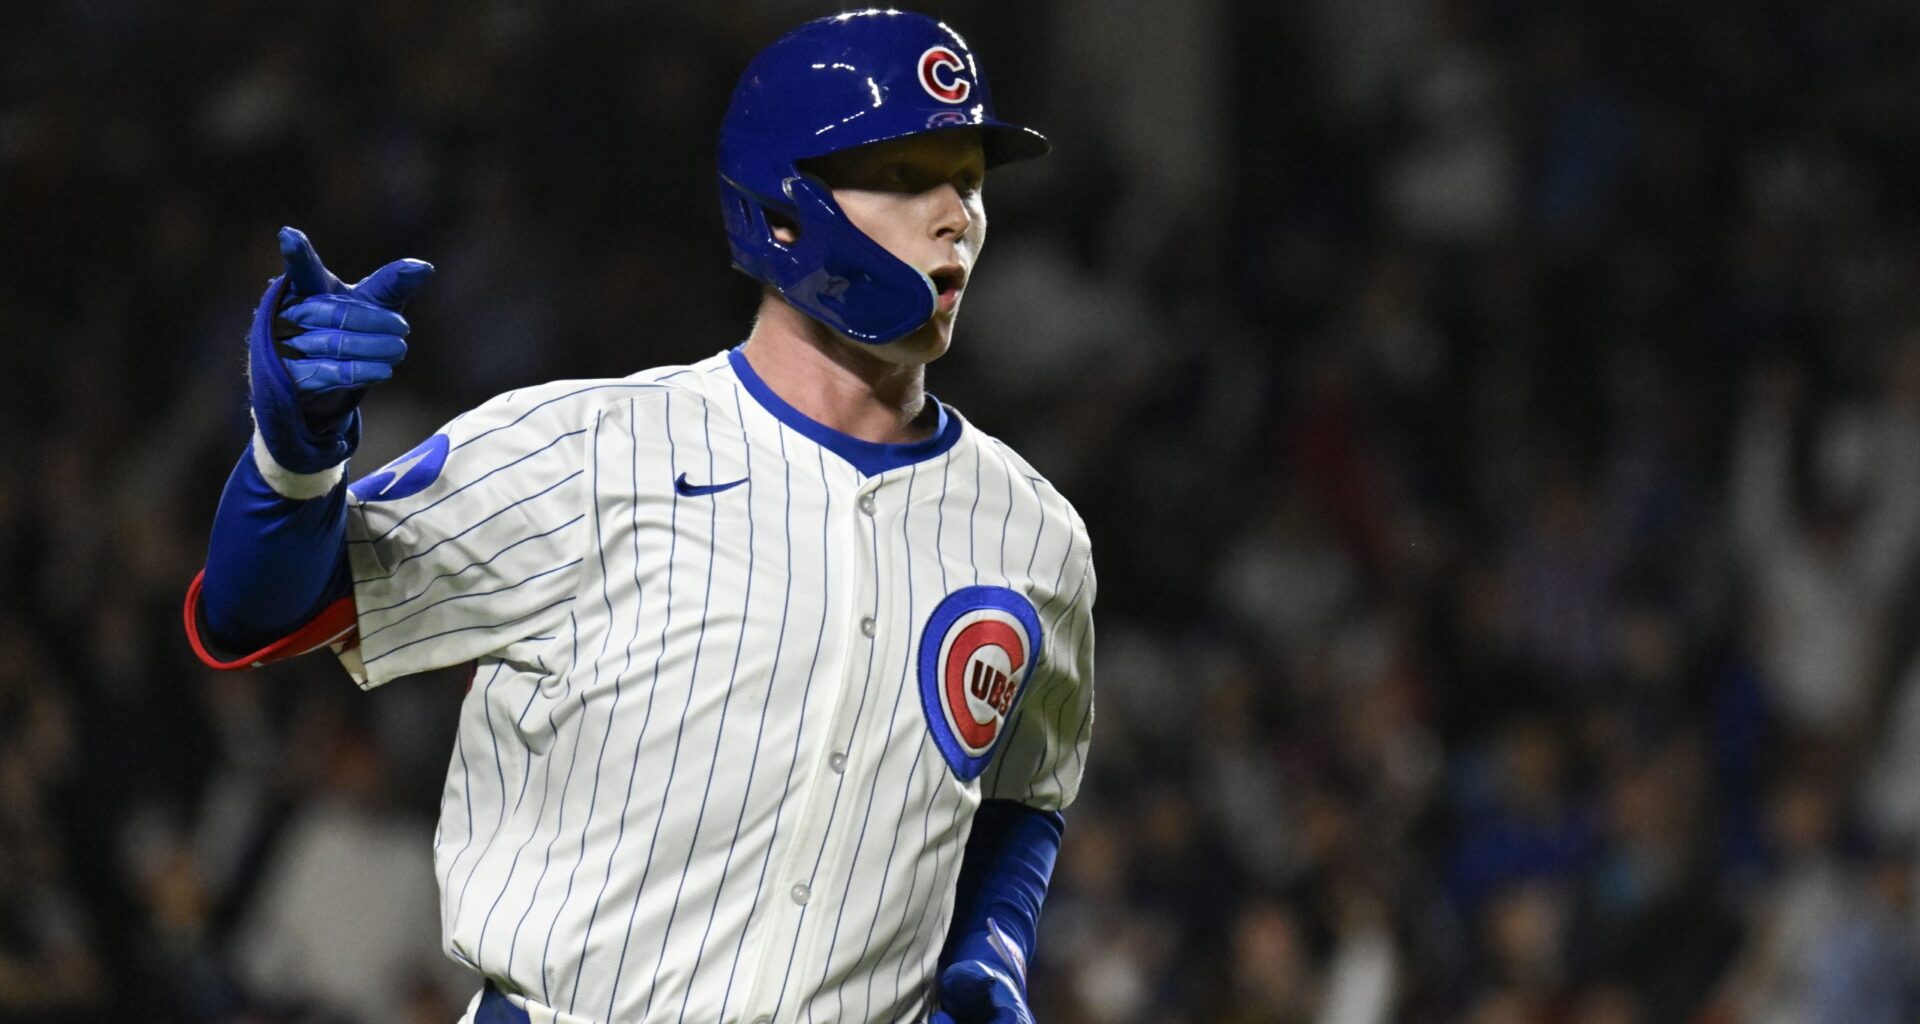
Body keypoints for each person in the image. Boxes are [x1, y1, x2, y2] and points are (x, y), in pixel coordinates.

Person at [183, 10, 1095, 1024]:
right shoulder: (586, 451)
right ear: (783, 209)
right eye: (906, 175)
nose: (956, 215)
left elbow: (1027, 791)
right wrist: (292, 462)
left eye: (969, 177)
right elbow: (257, 609)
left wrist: (994, 945)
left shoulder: (1033, 535)